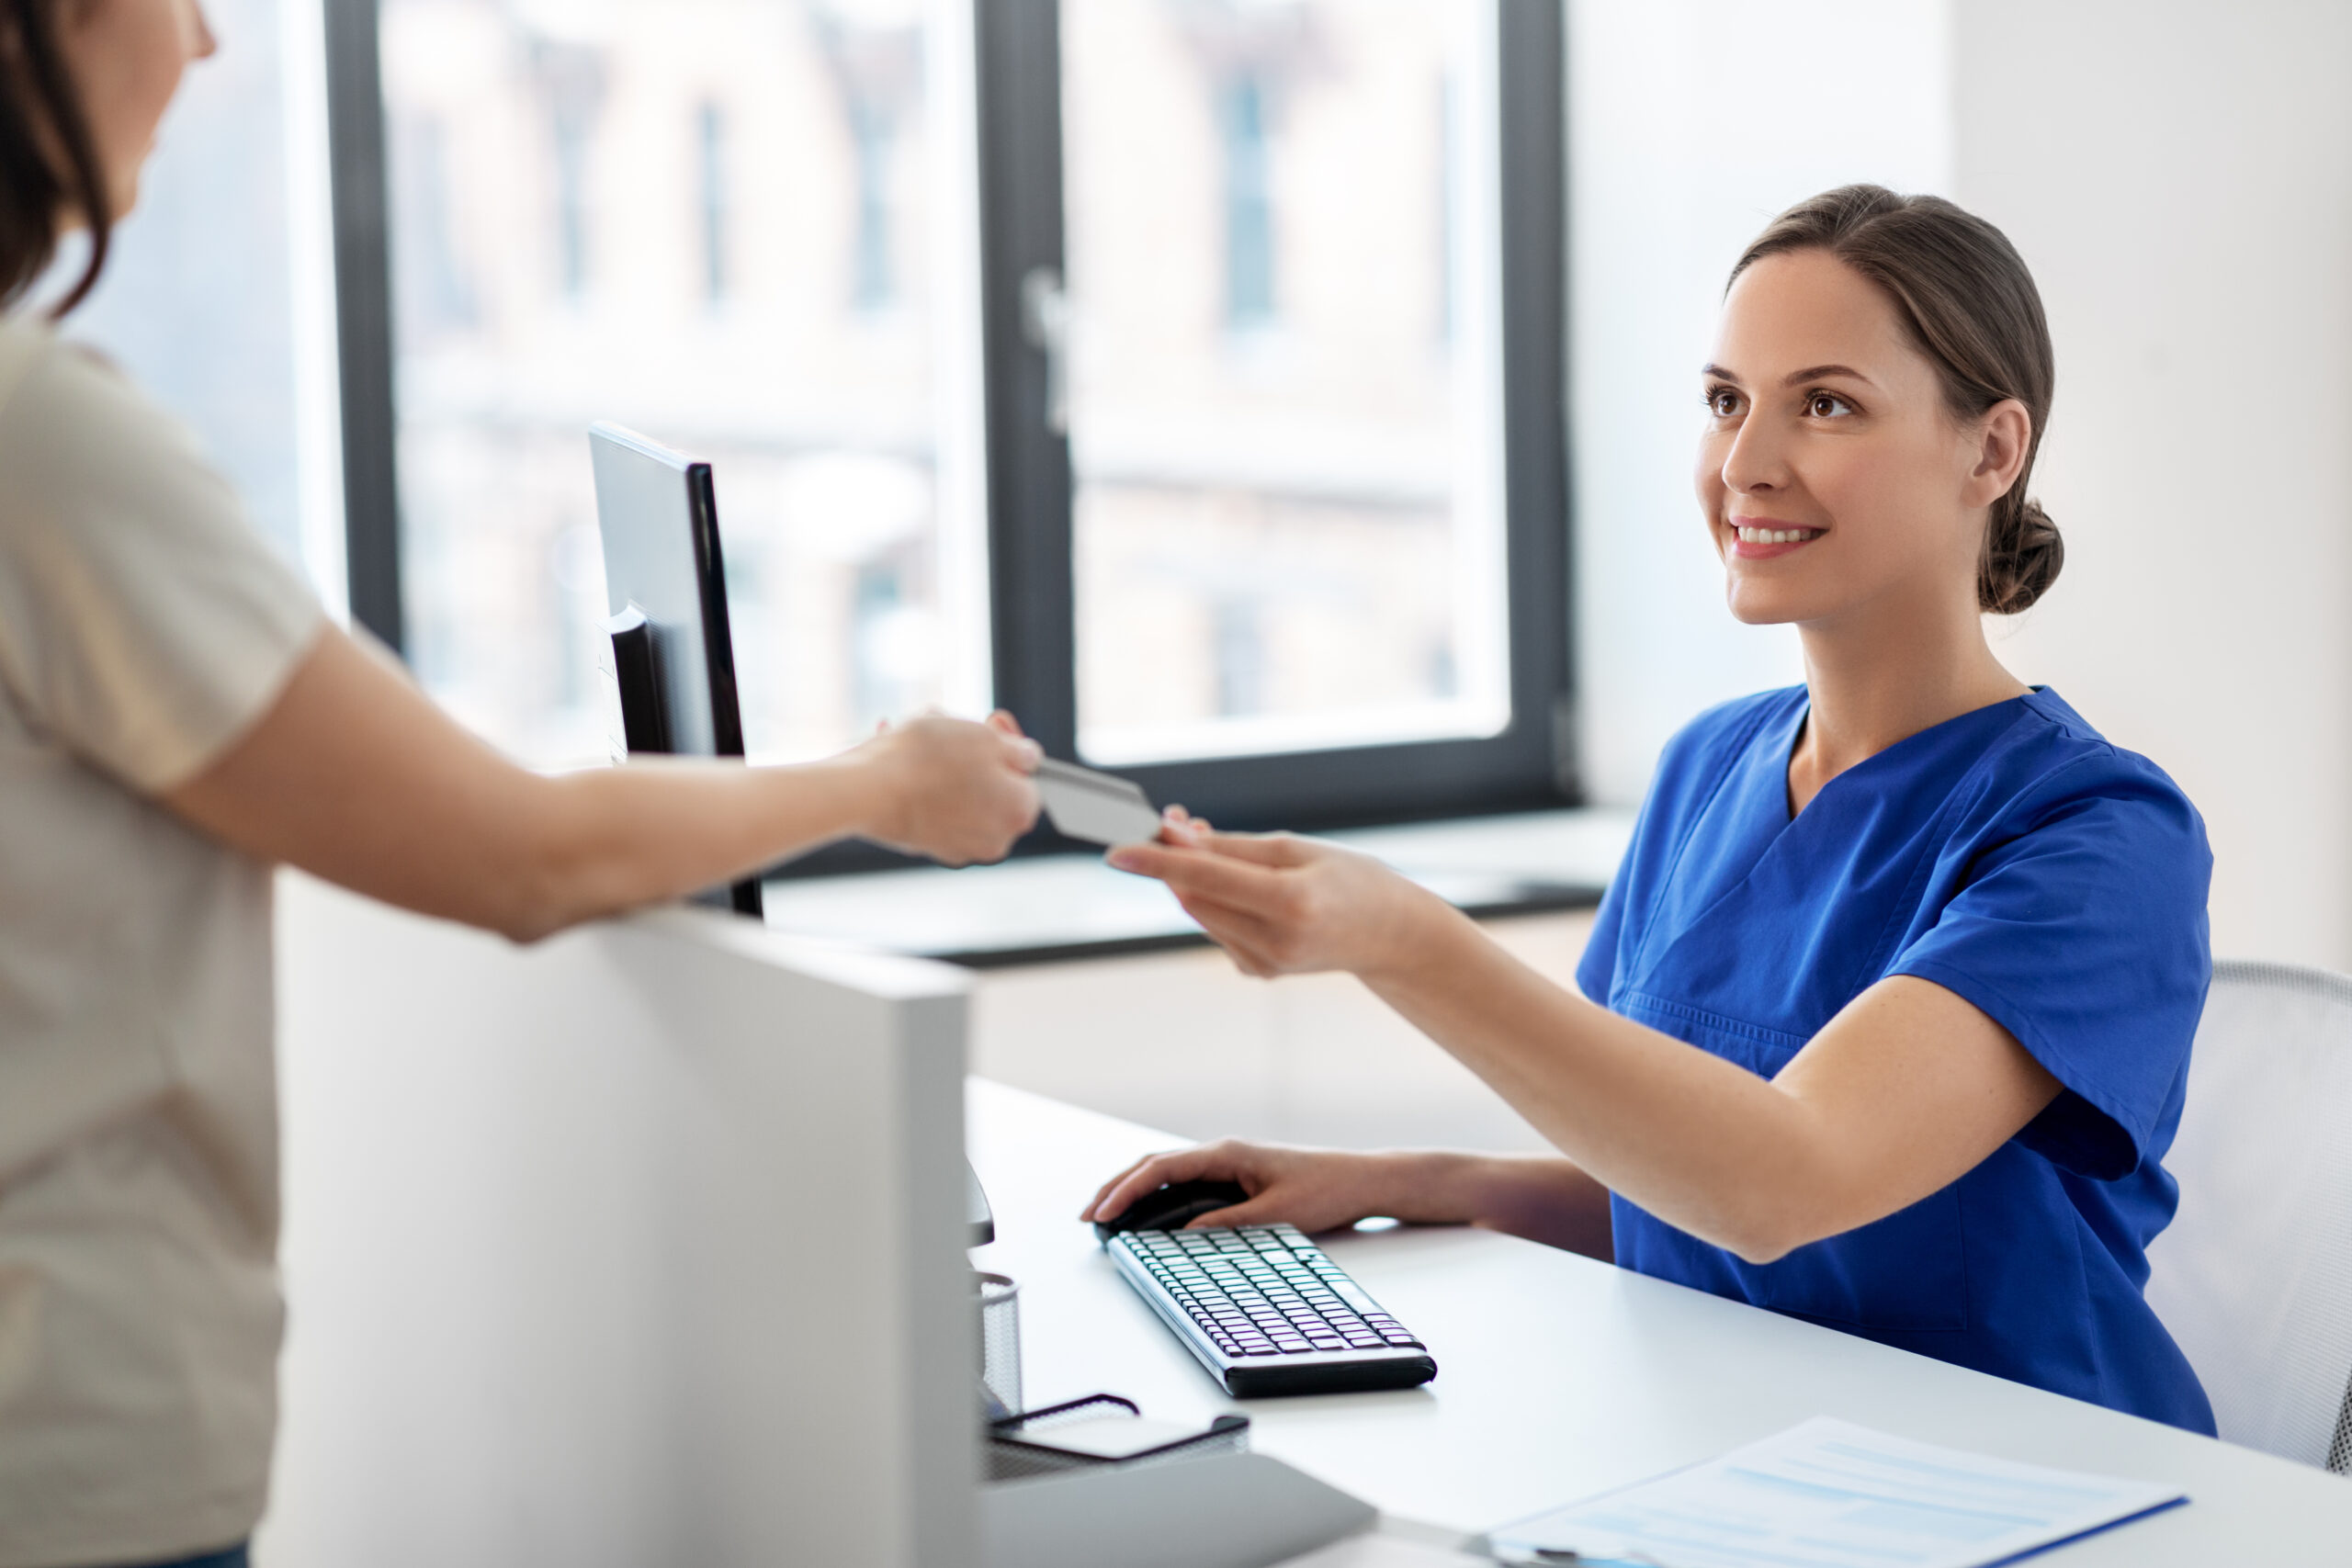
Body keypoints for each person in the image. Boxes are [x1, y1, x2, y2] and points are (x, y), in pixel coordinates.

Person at [0, 4, 1041, 1565]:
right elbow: (518, 854)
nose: (209, 46)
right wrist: (885, 782)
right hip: (72, 1439)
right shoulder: (43, 439)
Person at [1092, 184, 2217, 1436]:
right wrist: (1404, 1181)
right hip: (1735, 1440)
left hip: (2042, 1482)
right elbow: (1676, 1170)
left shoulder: (2099, 836)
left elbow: (1786, 1181)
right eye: (1726, 401)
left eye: (1827, 404)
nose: (1746, 465)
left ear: (1992, 451)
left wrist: (1404, 942)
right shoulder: (1706, 771)